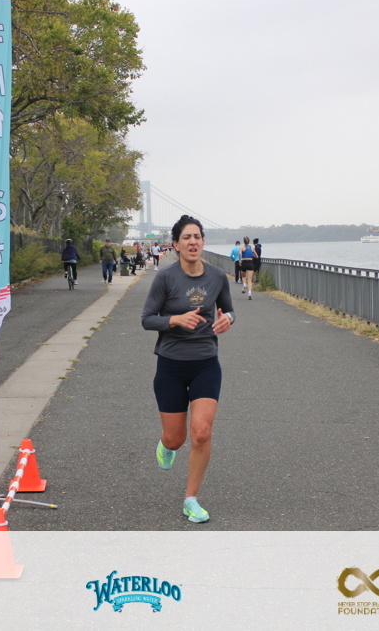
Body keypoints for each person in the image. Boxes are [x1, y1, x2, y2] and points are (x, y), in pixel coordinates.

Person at [141, 214, 235, 524]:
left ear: (203, 242)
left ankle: (190, 500)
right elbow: (147, 319)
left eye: (197, 237)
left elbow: (229, 309)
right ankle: (166, 444)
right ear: (176, 245)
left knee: (202, 432)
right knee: (175, 439)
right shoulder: (165, 278)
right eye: (187, 238)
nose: (193, 242)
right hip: (170, 365)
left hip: (206, 362)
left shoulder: (217, 276)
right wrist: (175, 320)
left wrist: (228, 319)